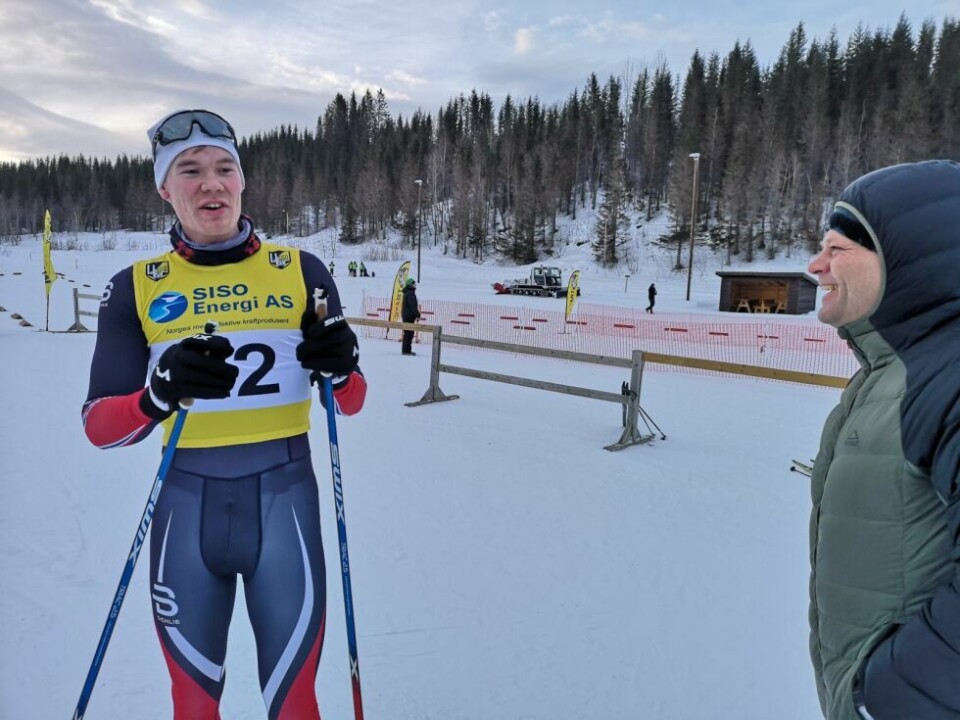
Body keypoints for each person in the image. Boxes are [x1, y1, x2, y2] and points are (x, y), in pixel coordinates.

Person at [81, 109, 367, 720]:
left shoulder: (302, 272)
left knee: (294, 701)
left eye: (224, 168)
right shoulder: (135, 286)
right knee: (192, 702)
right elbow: (100, 427)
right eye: (190, 170)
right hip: (186, 511)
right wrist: (156, 396)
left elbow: (351, 400)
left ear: (242, 181)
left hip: (285, 505)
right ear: (165, 188)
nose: (211, 183)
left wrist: (342, 366)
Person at [805, 160, 960, 720]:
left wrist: (896, 689)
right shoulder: (890, 370)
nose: (815, 266)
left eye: (837, 249)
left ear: (909, 256)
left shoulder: (947, 374)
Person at [400, 277, 420, 355]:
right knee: (409, 333)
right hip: (409, 316)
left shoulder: (407, 293)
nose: (415, 286)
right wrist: (417, 315)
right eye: (414, 284)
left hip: (406, 316)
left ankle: (406, 350)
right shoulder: (411, 294)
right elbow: (413, 306)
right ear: (410, 285)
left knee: (407, 333)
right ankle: (406, 351)